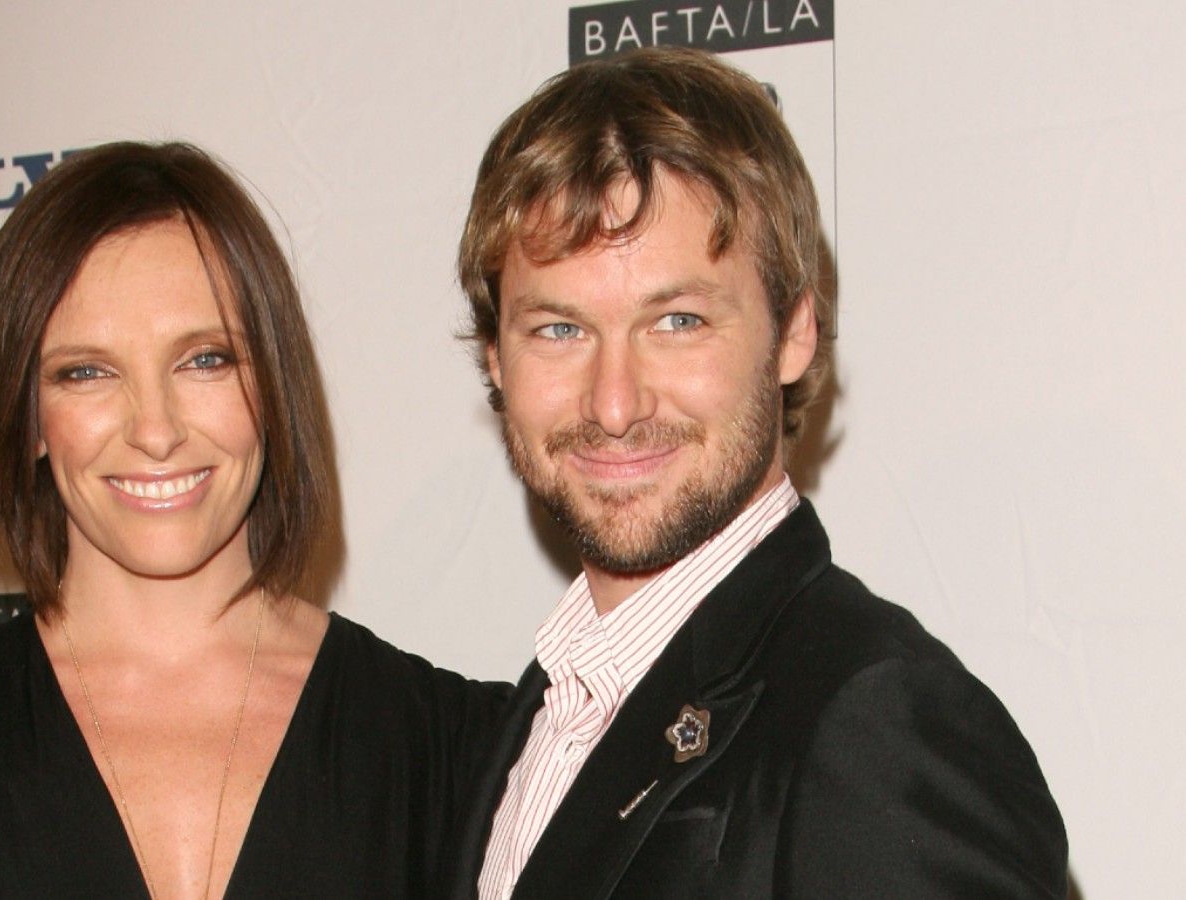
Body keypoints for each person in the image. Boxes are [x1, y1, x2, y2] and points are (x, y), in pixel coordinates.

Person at [0, 141, 505, 899]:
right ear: (27, 416)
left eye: (204, 360)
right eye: (87, 372)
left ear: (272, 383)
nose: (156, 431)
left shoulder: (458, 754)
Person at [446, 48, 1067, 898]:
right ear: (496, 356)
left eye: (677, 320)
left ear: (794, 332)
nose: (614, 404)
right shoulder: (535, 719)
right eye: (559, 329)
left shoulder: (876, 721)